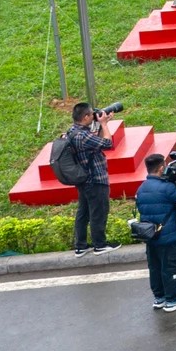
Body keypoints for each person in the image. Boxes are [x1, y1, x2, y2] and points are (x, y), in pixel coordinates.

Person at [135, 151, 176, 312]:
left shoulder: (142, 188)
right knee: (172, 266)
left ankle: (159, 298)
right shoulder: (166, 188)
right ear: (162, 168)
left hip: (151, 236)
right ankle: (172, 299)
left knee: (155, 267)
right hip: (168, 237)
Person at [66, 101, 117, 255]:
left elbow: (98, 144)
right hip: (95, 179)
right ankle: (100, 244)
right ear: (86, 116)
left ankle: (80, 245)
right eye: (91, 114)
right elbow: (108, 144)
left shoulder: (72, 132)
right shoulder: (83, 135)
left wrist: (102, 124)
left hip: (83, 180)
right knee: (98, 211)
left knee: (84, 212)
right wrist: (105, 124)